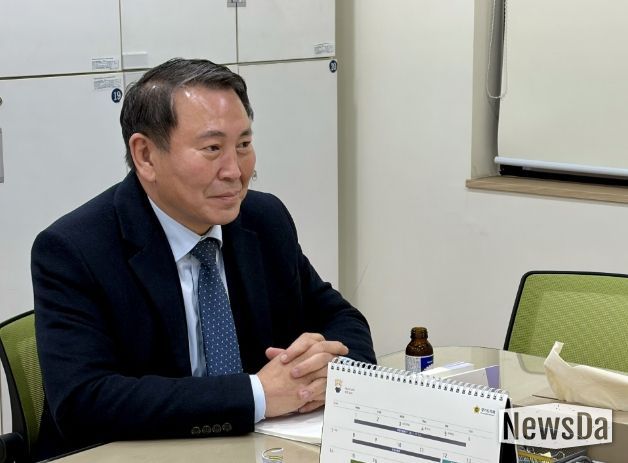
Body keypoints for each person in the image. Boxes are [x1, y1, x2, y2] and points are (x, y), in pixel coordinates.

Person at [31, 58, 375, 460]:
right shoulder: (74, 249)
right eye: (212, 149)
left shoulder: (264, 221)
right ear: (145, 155)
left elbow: (342, 319)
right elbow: (84, 401)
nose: (235, 172)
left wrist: (327, 370)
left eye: (243, 145)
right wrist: (258, 394)